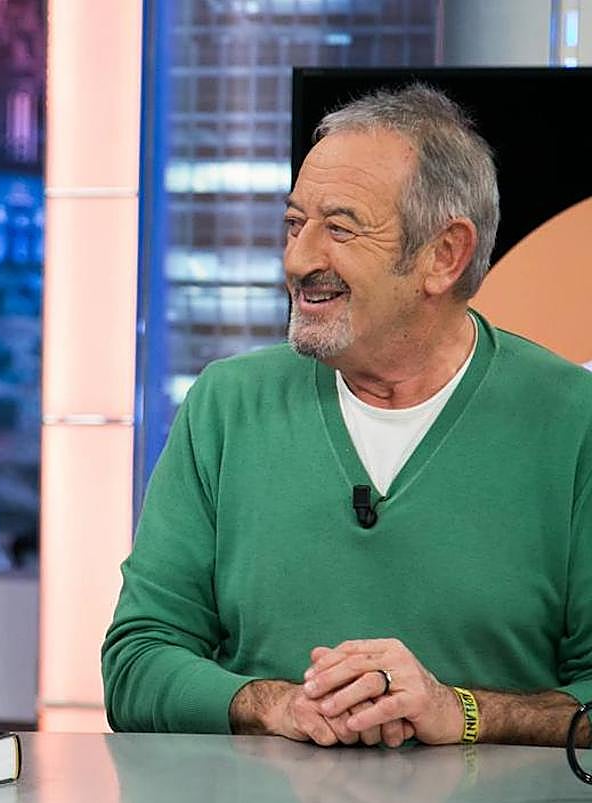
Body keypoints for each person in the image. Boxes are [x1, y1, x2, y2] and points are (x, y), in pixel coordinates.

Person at [102, 84, 592, 749]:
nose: (298, 259)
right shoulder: (225, 406)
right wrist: (274, 705)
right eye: (294, 223)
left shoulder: (573, 422)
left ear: (444, 255)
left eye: (339, 228)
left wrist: (462, 712)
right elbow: (136, 663)